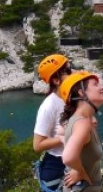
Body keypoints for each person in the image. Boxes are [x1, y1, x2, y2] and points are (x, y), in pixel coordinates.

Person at [59, 71, 103, 192]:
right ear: (82, 92)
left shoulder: (80, 121)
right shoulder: (82, 123)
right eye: (95, 84)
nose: (102, 87)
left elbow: (61, 134)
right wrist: (80, 172)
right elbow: (68, 157)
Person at [33, 54, 72, 191]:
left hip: (73, 159)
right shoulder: (49, 105)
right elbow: (37, 145)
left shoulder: (71, 98)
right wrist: (66, 137)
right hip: (57, 164)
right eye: (67, 70)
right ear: (56, 80)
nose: (71, 73)